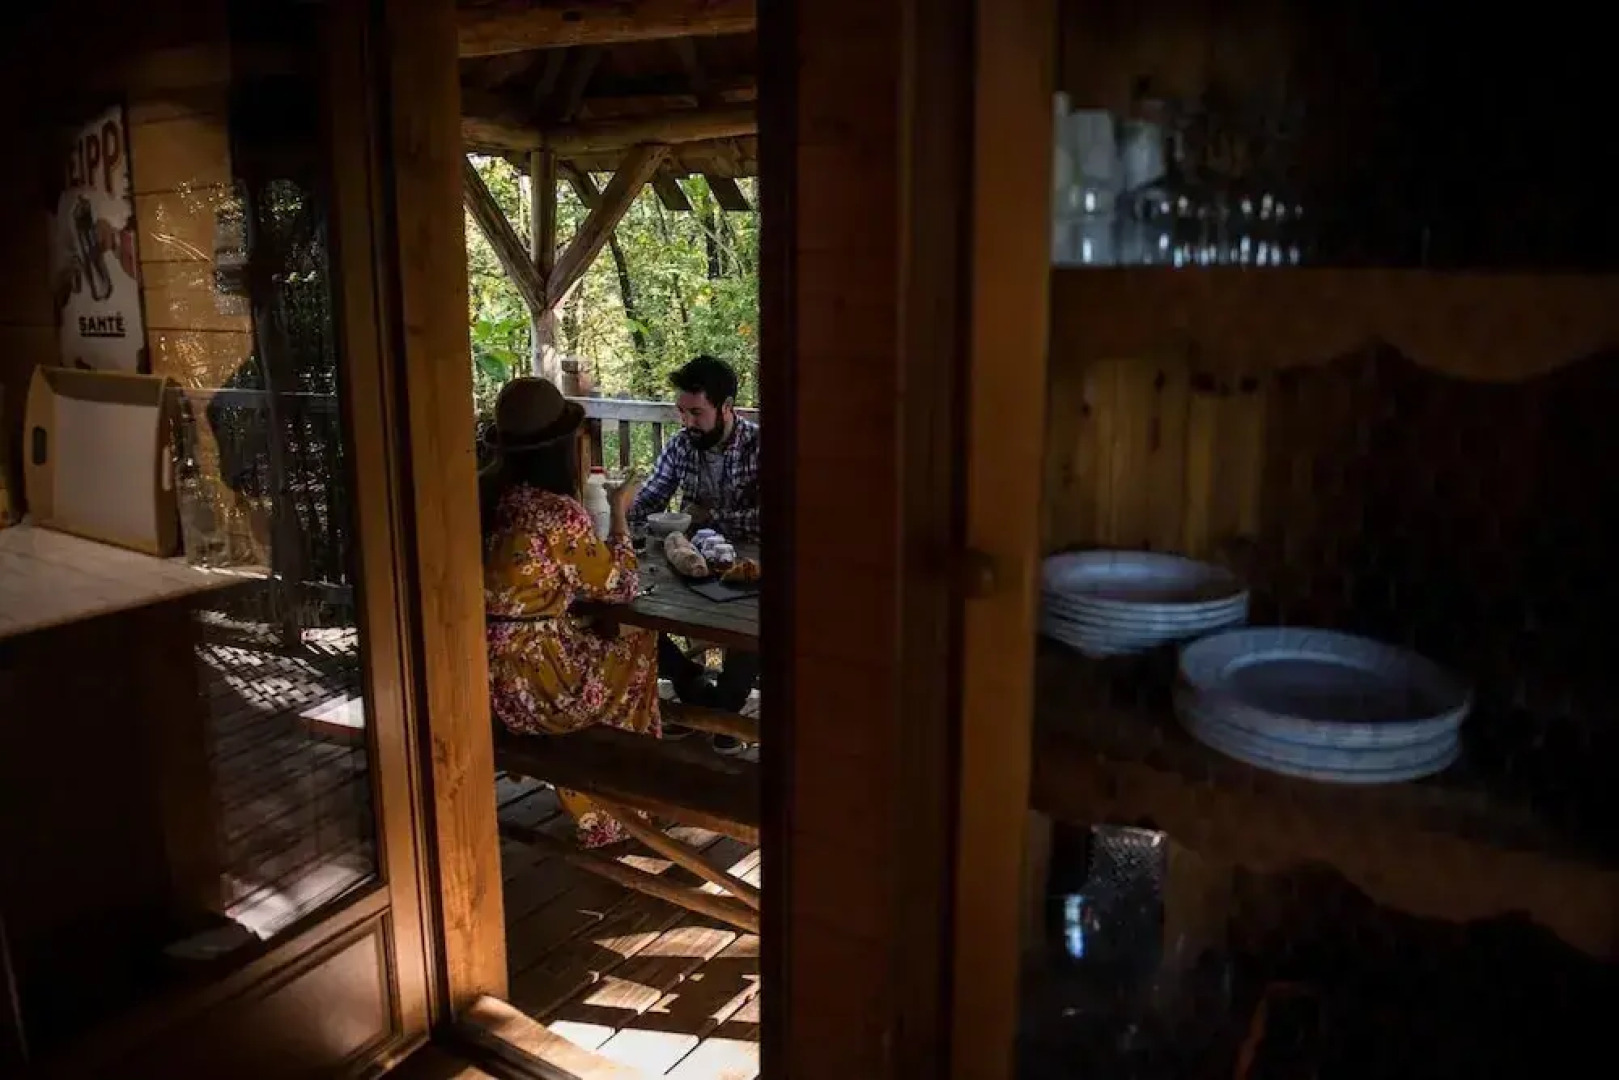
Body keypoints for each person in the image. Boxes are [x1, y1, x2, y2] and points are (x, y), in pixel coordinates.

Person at [481, 377, 657, 848]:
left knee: (602, 639)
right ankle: (614, 804)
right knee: (638, 643)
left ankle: (602, 792)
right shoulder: (556, 513)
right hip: (541, 686)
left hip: (489, 678)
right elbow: (621, 585)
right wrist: (619, 512)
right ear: (562, 446)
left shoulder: (488, 498)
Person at [629, 356, 761, 743]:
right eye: (681, 412)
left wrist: (711, 515)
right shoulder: (682, 444)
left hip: (752, 567)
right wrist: (622, 509)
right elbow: (648, 501)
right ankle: (703, 699)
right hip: (695, 563)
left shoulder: (760, 447)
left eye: (696, 413)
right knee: (636, 615)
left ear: (726, 407)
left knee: (753, 630)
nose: (686, 422)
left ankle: (716, 714)